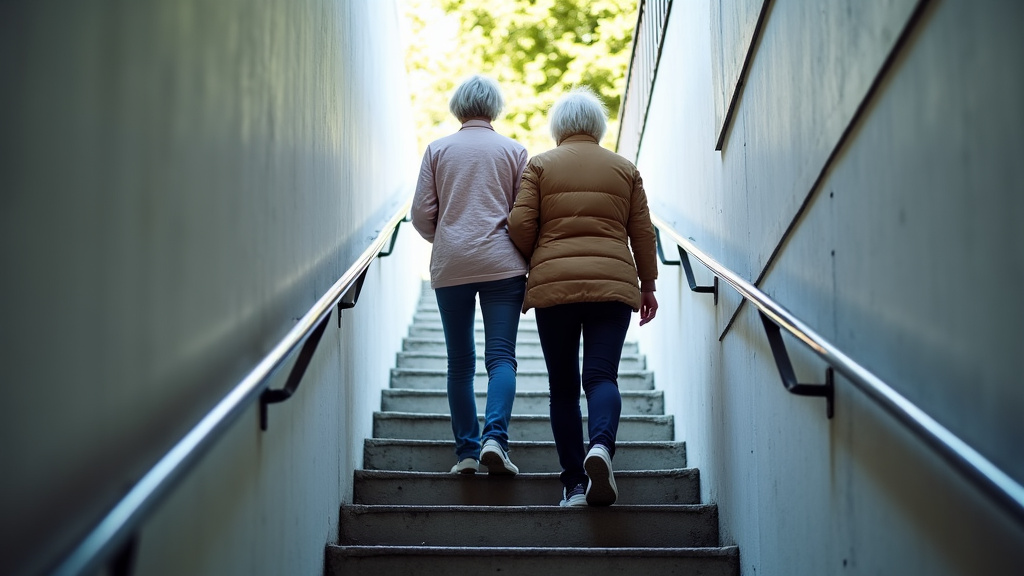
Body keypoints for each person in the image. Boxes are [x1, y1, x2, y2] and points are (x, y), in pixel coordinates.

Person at [508, 87, 658, 506]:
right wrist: (648, 285)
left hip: (554, 287)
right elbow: (643, 234)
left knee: (563, 387)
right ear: (598, 127)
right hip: (612, 286)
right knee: (600, 377)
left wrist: (540, 252)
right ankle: (601, 448)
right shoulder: (625, 169)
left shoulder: (539, 165)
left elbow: (519, 222)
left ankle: (574, 484)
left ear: (559, 128)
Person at [411, 75, 528, 476]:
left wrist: (445, 238)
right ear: (494, 107)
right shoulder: (515, 151)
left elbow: (420, 215)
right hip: (503, 265)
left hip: (451, 266)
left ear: (458, 106)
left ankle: (466, 453)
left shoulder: (437, 150)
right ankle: (496, 438)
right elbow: (524, 216)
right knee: (502, 358)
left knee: (459, 363)